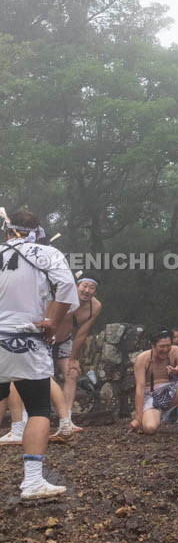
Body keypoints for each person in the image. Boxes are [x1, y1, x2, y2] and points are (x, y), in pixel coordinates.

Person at [0, 206, 80, 501]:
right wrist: (54, 322)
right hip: (24, 338)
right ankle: (32, 481)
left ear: (8, 230)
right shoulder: (48, 254)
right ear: (38, 232)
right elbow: (66, 287)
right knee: (37, 408)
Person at [48, 272, 102, 442]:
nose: (87, 290)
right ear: (77, 286)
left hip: (65, 340)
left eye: (91, 287)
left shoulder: (95, 307)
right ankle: (30, 415)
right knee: (43, 376)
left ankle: (67, 419)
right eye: (84, 286)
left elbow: (81, 334)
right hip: (46, 338)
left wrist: (74, 358)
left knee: (72, 373)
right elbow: (47, 314)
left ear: (95, 291)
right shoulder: (64, 295)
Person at [129, 329, 178, 436]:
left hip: (170, 392)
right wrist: (138, 418)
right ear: (153, 345)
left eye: (168, 345)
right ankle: (152, 416)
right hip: (151, 396)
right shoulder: (142, 359)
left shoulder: (175, 351)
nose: (166, 349)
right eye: (162, 346)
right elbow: (140, 388)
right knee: (150, 429)